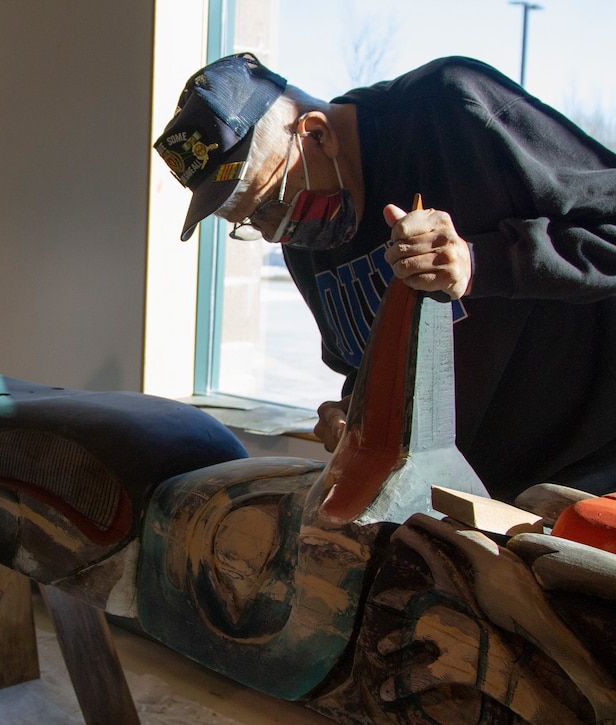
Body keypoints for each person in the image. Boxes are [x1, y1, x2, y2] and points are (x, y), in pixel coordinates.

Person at [154, 53, 616, 503]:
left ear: (315, 133)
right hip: (472, 502)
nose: (276, 234)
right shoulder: (307, 238)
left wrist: (481, 262)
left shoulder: (451, 110)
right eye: (253, 222)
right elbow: (369, 361)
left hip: (591, 476)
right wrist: (355, 409)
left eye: (273, 203)